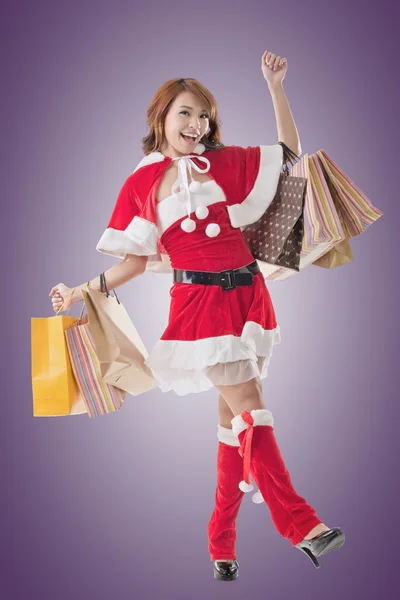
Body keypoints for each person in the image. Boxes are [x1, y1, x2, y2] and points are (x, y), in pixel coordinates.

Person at [49, 51, 345, 581]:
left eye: (204, 116)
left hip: (248, 297)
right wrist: (79, 289)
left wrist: (275, 87)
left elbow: (287, 155)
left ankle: (221, 545)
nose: (197, 124)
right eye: (186, 113)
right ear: (161, 117)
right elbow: (134, 261)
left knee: (233, 424)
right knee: (252, 406)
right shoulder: (142, 182)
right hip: (200, 308)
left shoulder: (222, 163)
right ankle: (301, 525)